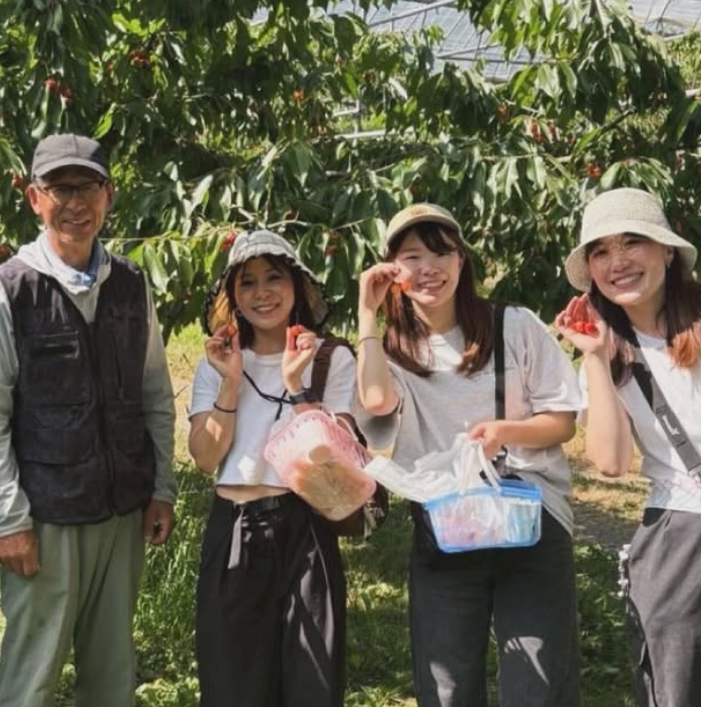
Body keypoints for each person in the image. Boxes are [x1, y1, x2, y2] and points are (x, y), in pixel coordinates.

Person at [0, 133, 177, 707]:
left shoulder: (133, 285)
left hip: (121, 510)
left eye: (87, 186)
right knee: (31, 678)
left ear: (109, 196)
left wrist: (161, 488)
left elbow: (154, 392)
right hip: (45, 516)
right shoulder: (4, 289)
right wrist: (9, 520)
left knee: (112, 678)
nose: (75, 202)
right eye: (60, 188)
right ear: (35, 198)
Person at [354, 204, 582, 707]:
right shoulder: (390, 350)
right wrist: (367, 314)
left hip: (531, 520)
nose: (428, 267)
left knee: (539, 685)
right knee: (447, 685)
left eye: (441, 252)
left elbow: (562, 420)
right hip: (447, 528)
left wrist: (507, 431)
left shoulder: (515, 326)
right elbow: (374, 403)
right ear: (392, 271)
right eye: (412, 256)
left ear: (462, 261)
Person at [188, 229, 358, 707]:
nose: (262, 293)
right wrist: (230, 383)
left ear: (297, 287)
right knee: (231, 683)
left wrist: (297, 385)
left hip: (304, 526)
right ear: (233, 296)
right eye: (247, 283)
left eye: (274, 278)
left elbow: (338, 467)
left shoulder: (329, 358)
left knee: (312, 683)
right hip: (234, 528)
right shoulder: (219, 361)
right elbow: (205, 457)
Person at [555, 187, 701, 707]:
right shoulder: (610, 352)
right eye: (600, 251)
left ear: (666, 250)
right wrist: (592, 357)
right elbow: (611, 463)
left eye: (632, 242)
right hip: (675, 525)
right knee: (672, 678)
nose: (617, 262)